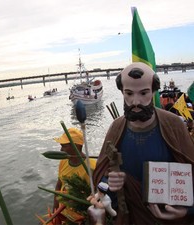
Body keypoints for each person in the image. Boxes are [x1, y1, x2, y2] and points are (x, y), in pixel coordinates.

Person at [92, 62, 194, 224]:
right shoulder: (117, 127)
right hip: (130, 216)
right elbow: (103, 173)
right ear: (122, 92)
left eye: (144, 93)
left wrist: (186, 209)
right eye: (129, 93)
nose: (135, 101)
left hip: (168, 217)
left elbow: (190, 172)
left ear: (153, 91)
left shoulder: (174, 124)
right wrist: (109, 185)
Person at [53, 128, 97, 224]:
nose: (60, 150)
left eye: (64, 146)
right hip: (63, 211)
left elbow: (96, 196)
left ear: (76, 146)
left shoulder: (91, 167)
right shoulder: (64, 161)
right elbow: (58, 185)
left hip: (80, 216)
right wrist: (55, 208)